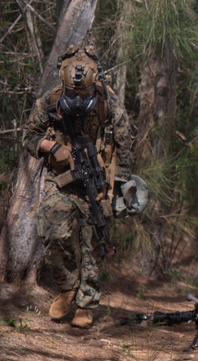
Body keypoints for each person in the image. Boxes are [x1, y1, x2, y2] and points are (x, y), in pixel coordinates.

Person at [22, 44, 135, 329]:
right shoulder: (51, 101)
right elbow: (28, 136)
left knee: (94, 243)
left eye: (83, 93)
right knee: (52, 235)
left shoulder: (108, 102)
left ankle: (87, 302)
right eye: (75, 92)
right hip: (60, 180)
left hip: (97, 183)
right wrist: (51, 147)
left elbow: (124, 143)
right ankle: (67, 287)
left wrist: (119, 185)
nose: (78, 97)